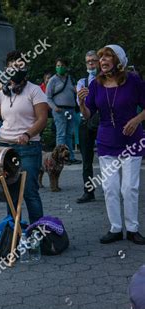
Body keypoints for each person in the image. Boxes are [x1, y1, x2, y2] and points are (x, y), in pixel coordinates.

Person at [78, 44, 145, 245]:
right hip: (107, 142)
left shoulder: (133, 80)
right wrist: (81, 103)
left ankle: (132, 229)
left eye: (108, 57)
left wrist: (137, 120)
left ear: (119, 61)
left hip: (131, 142)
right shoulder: (96, 84)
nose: (103, 61)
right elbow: (88, 113)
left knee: (129, 188)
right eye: (101, 58)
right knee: (110, 187)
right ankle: (115, 228)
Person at [0, 50, 48, 224]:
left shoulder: (35, 90)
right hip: (5, 148)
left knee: (29, 192)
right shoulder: (1, 94)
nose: (16, 68)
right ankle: (13, 234)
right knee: (10, 193)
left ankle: (37, 234)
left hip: (28, 148)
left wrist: (28, 134)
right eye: (12, 65)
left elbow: (42, 119)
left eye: (20, 64)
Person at [46, 58, 82, 164]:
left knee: (69, 134)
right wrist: (54, 107)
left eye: (62, 65)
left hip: (70, 110)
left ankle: (70, 156)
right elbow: (48, 97)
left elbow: (75, 91)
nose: (60, 68)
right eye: (57, 66)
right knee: (61, 134)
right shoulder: (53, 80)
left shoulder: (70, 78)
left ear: (66, 67)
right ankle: (60, 158)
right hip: (59, 110)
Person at [76, 50, 100, 203]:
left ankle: (117, 188)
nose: (91, 63)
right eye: (88, 61)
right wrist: (82, 101)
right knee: (86, 159)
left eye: (93, 60)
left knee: (110, 157)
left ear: (98, 61)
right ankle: (88, 191)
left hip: (104, 121)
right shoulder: (81, 82)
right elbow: (80, 104)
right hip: (87, 122)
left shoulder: (105, 79)